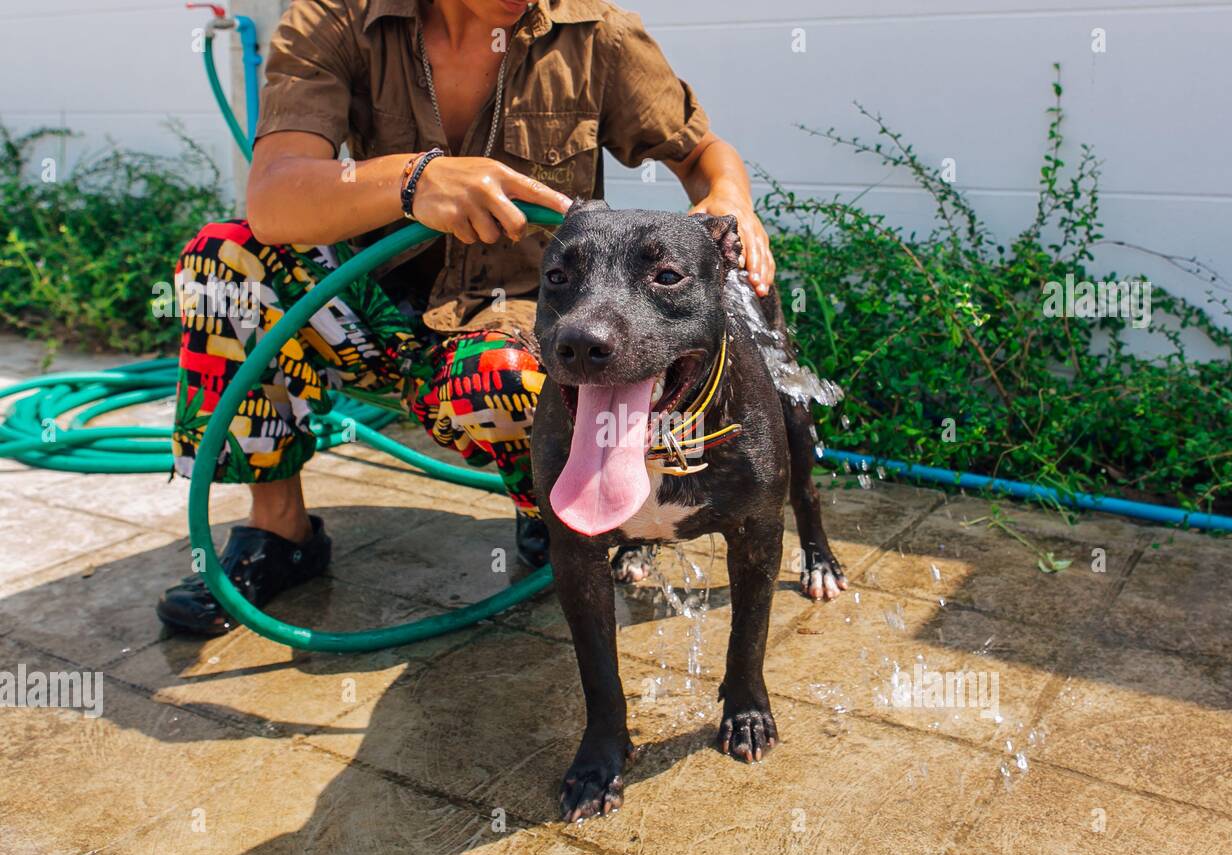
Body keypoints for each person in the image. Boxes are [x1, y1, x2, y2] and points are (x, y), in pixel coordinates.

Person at [156, 0, 775, 635]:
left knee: (510, 372)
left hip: (514, 329)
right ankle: (280, 531)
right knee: (223, 259)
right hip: (370, 312)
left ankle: (560, 512)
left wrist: (730, 200)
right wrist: (410, 179)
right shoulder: (336, 17)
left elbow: (703, 154)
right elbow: (273, 197)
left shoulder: (597, 33)